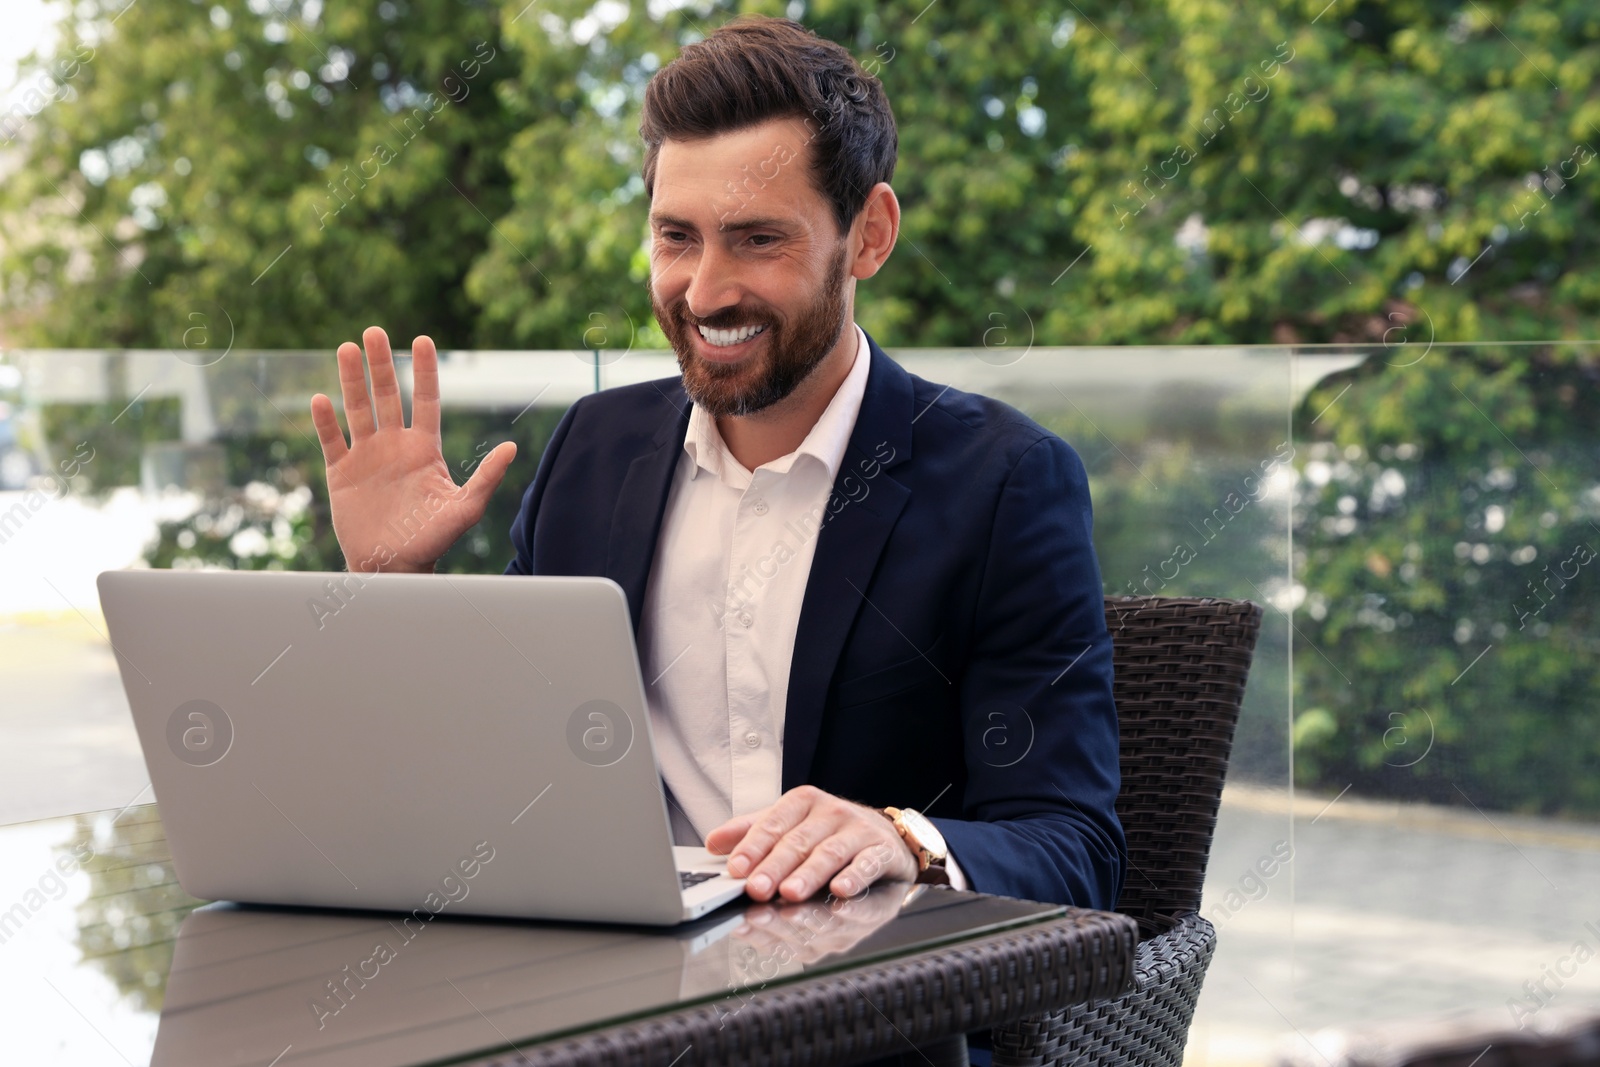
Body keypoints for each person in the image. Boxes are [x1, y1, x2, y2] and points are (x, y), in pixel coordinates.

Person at [310, 14, 1123, 913]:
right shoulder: (593, 449)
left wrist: (898, 838)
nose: (703, 292)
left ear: (870, 235)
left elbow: (1072, 845)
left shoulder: (1005, 482)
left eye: (757, 239)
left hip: (855, 1019)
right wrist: (394, 591)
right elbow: (493, 772)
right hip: (597, 993)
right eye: (677, 237)